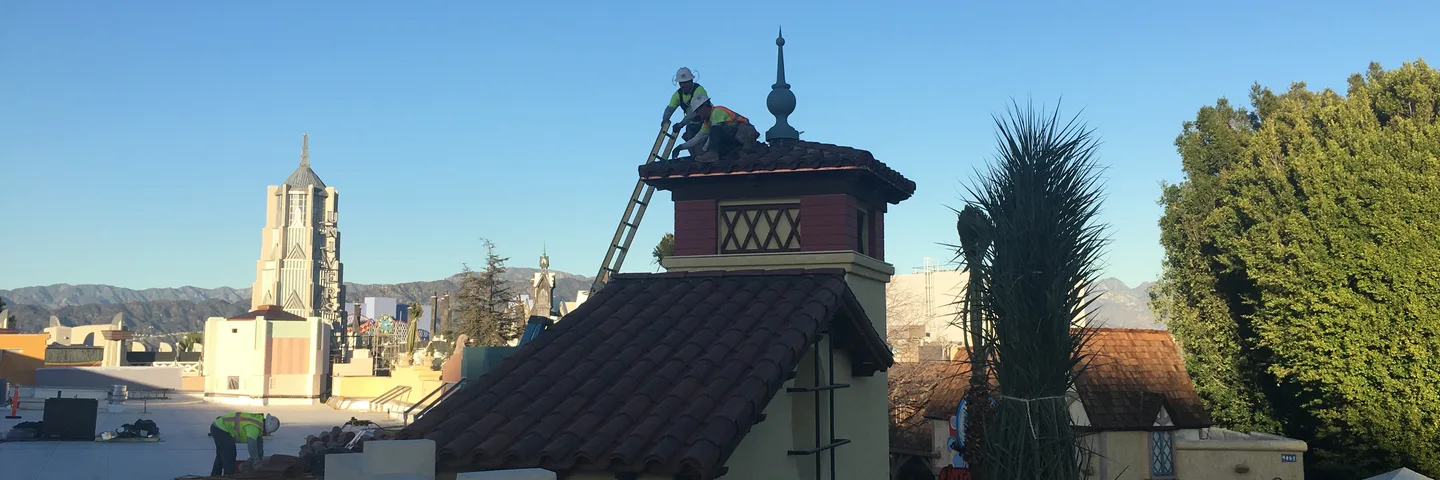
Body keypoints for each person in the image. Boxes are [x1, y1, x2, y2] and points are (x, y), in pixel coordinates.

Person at [671, 96, 759, 160]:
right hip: (735, 137)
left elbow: (714, 133)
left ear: (705, 106)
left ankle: (713, 154)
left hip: (744, 133)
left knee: (715, 130)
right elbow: (697, 138)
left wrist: (706, 151)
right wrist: (680, 147)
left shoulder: (717, 112)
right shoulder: (707, 122)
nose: (697, 114)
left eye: (698, 111)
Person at [210, 412, 280, 475]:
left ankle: (215, 476)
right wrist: (256, 463)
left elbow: (259, 447)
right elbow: (252, 448)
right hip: (220, 428)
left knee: (221, 455)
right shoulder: (254, 428)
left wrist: (260, 459)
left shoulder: (259, 423)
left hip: (218, 426)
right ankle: (228, 476)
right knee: (229, 454)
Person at [661, 67, 709, 143]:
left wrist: (681, 124)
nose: (683, 85)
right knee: (690, 141)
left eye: (685, 82)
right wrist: (665, 120)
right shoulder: (678, 95)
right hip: (692, 124)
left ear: (691, 81)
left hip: (706, 122)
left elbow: (694, 111)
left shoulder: (699, 90)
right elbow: (670, 108)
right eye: (681, 83)